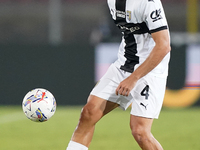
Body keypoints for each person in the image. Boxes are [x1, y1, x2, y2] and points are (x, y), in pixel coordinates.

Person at [66, 0, 171, 149]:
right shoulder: (111, 2)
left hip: (150, 70)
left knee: (140, 132)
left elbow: (164, 46)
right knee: (89, 113)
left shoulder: (149, 3)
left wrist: (134, 78)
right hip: (124, 64)